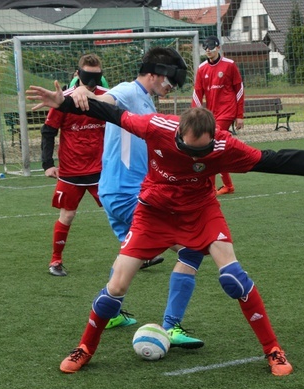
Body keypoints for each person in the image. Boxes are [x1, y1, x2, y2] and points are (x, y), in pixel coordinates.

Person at [26, 82, 304, 377]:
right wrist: (65, 103)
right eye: (188, 147)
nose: (194, 154)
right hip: (154, 212)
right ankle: (85, 348)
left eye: (200, 149)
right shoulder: (155, 126)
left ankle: (273, 349)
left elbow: (275, 159)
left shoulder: (224, 145)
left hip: (200, 212)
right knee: (116, 286)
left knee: (234, 278)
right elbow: (111, 114)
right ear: (178, 132)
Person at [68, 47, 204, 347]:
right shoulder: (129, 91)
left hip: (117, 190)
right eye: (169, 82)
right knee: (192, 248)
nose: (170, 88)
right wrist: (81, 94)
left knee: (129, 255)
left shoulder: (145, 102)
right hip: (127, 193)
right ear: (155, 74)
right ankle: (172, 327)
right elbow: (104, 100)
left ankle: (112, 313)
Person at [41, 54, 108, 278]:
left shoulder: (107, 98)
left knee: (120, 211)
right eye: (88, 75)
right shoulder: (63, 100)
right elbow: (48, 130)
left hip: (102, 170)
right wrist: (48, 164)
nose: (92, 81)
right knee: (67, 215)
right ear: (77, 74)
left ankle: (141, 254)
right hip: (71, 171)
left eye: (96, 76)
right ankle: (56, 260)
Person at [192, 35, 244, 196]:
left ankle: (211, 188)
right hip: (211, 114)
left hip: (227, 112)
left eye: (211, 47)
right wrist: (195, 115)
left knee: (210, 146)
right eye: (205, 47)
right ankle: (227, 185)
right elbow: (197, 93)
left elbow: (239, 90)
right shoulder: (202, 69)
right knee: (215, 149)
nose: (208, 50)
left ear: (219, 47)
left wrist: (239, 115)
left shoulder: (229, 65)